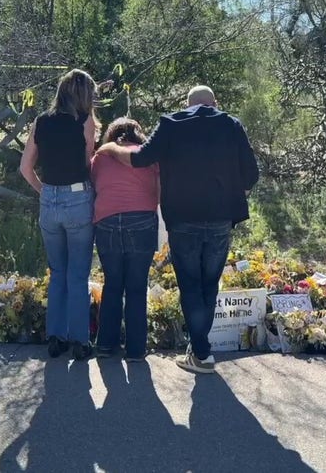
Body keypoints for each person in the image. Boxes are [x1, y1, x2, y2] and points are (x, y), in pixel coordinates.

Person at [97, 85, 259, 374]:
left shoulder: (171, 124)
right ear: (215, 102)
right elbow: (252, 175)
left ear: (186, 104)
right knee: (210, 284)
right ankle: (200, 350)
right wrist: (230, 194)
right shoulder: (231, 125)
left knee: (190, 285)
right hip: (221, 219)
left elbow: (140, 158)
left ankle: (201, 352)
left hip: (183, 219)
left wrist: (110, 147)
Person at [20, 69, 99, 361]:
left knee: (58, 273)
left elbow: (25, 168)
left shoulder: (41, 122)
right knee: (78, 274)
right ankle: (80, 341)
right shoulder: (84, 121)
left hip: (50, 199)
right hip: (78, 197)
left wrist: (45, 192)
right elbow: (88, 160)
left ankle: (55, 336)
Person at [91, 118, 160, 361]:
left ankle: (106, 346)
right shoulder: (148, 156)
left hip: (107, 220)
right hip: (141, 220)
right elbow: (159, 191)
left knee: (112, 284)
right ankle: (135, 350)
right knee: (137, 286)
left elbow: (94, 186)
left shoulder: (101, 157)